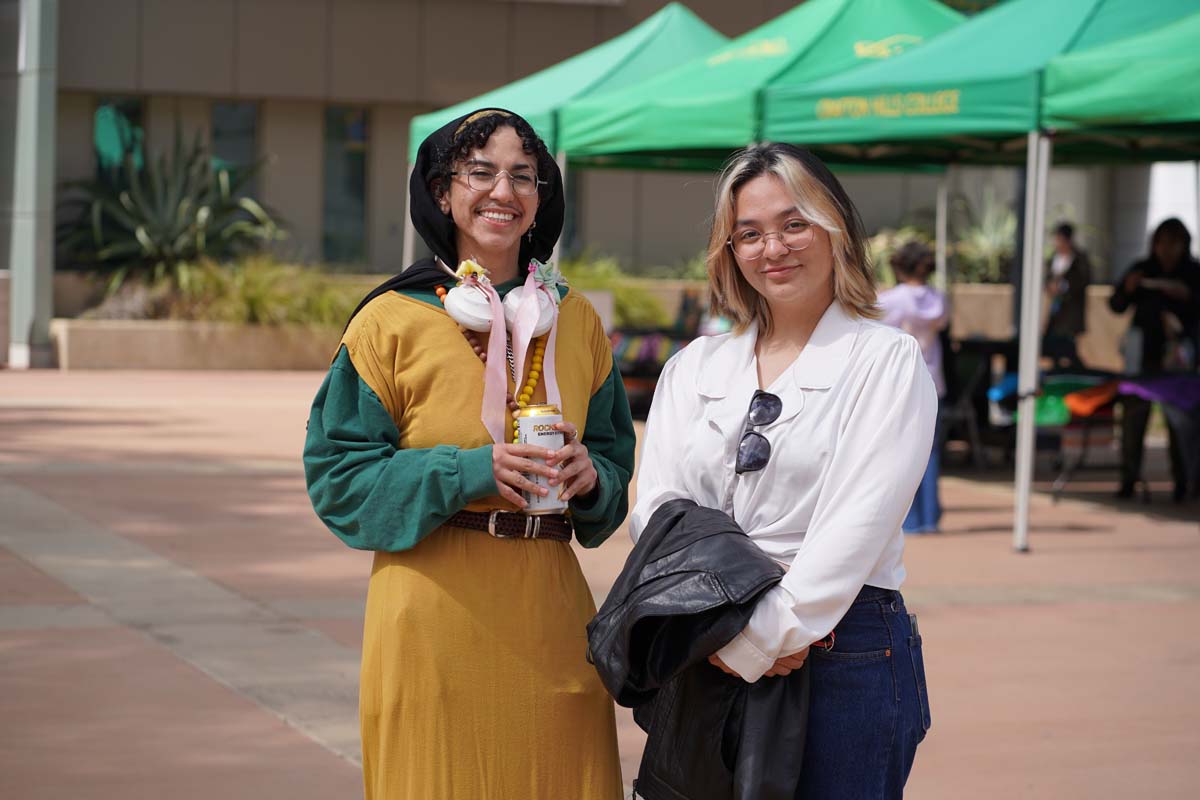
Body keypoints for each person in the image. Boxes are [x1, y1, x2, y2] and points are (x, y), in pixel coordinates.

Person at [303, 108, 634, 799]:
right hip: (430, 621)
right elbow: (338, 480)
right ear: (442, 192)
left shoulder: (575, 322)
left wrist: (591, 480)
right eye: (479, 172)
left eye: (524, 176)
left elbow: (613, 470)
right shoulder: (389, 319)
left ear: (544, 197)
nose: (502, 192)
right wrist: (472, 470)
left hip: (551, 616)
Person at [631, 143, 937, 798]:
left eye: (794, 223)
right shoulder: (696, 367)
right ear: (728, 250)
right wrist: (722, 632)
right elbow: (658, 512)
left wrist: (760, 636)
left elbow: (856, 522)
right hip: (706, 643)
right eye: (750, 233)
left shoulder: (886, 360)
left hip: (840, 654)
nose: (774, 248)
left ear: (836, 228)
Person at [1108, 217, 1200, 501]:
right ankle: (1129, 478)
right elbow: (1116, 304)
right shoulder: (1143, 268)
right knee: (1133, 417)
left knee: (1180, 421)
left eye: (1174, 243)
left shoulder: (1192, 272)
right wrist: (1128, 288)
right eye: (1163, 243)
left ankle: (1184, 482)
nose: (1168, 249)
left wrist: (1186, 296)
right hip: (1142, 356)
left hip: (1177, 358)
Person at [879, 241, 950, 533]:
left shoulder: (891, 300)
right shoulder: (940, 300)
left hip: (900, 382)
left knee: (901, 451)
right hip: (934, 379)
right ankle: (930, 516)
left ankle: (909, 518)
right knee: (931, 452)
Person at [1043, 221, 1092, 369]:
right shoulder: (1054, 258)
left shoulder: (1078, 258)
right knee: (1053, 347)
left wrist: (1064, 286)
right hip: (1056, 311)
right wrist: (1050, 286)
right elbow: (1047, 279)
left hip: (1071, 312)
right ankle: (1057, 372)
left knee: (1068, 347)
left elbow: (1083, 280)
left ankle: (1078, 371)